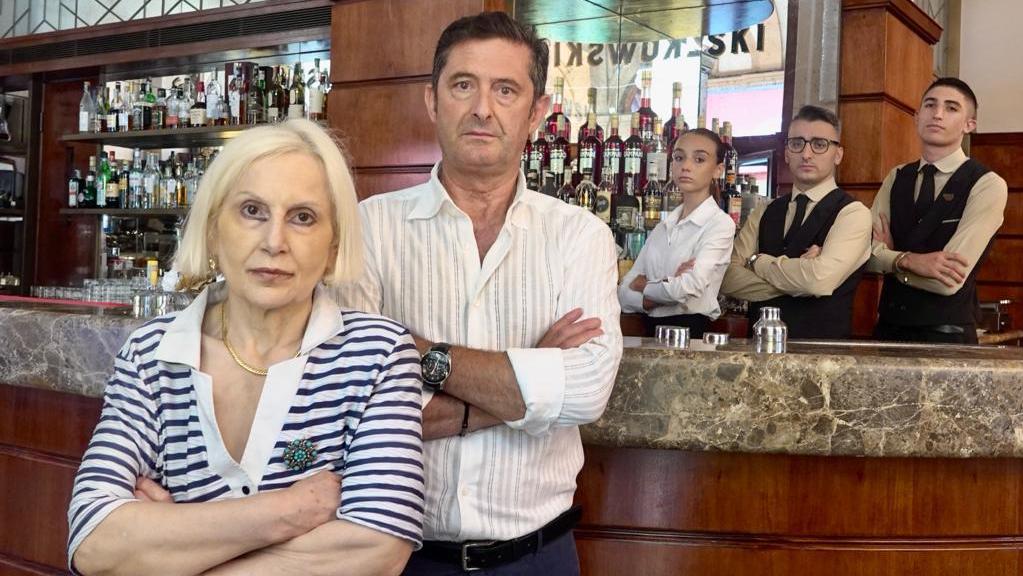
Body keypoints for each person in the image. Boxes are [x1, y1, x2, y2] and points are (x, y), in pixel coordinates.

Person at [67, 119, 424, 576]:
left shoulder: (378, 355)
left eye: (303, 217)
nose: (275, 242)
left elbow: (377, 550)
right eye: (252, 211)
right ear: (214, 229)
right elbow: (93, 542)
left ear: (333, 245)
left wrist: (169, 546)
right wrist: (289, 512)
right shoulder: (150, 353)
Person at [335, 12, 623, 575]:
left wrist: (415, 351)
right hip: (399, 557)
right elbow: (354, 411)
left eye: (506, 90)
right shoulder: (368, 229)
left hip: (537, 557)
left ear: (536, 112)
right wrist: (533, 376)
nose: (482, 109)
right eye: (463, 85)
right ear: (432, 100)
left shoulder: (580, 235)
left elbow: (586, 391)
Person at [869, 77, 1007, 344]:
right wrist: (908, 261)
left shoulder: (987, 184)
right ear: (917, 116)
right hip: (886, 332)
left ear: (969, 124)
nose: (938, 114)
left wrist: (890, 260)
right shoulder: (896, 177)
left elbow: (947, 281)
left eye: (951, 108)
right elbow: (865, 256)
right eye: (930, 105)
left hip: (948, 337)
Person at [721, 105, 871, 339]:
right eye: (797, 143)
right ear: (786, 153)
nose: (807, 154)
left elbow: (818, 281)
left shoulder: (853, 213)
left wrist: (756, 262)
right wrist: (801, 282)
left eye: (819, 144)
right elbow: (727, 277)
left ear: (838, 154)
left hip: (822, 352)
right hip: (759, 349)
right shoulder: (765, 210)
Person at [618, 128, 736, 338]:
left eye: (699, 159)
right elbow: (623, 292)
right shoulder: (663, 226)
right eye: (679, 158)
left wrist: (644, 286)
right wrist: (666, 287)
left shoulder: (720, 224)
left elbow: (688, 288)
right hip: (649, 333)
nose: (686, 166)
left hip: (691, 333)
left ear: (718, 170)